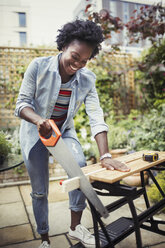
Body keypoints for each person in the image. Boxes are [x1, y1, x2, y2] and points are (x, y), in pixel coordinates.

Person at [15, 19, 130, 248]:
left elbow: (96, 115)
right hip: (34, 132)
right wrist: (39, 120)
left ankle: (76, 228)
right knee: (39, 192)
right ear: (64, 45)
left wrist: (105, 155)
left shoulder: (88, 79)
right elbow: (21, 104)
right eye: (74, 56)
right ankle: (45, 239)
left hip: (63, 131)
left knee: (79, 169)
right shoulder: (38, 66)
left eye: (84, 61)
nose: (77, 64)